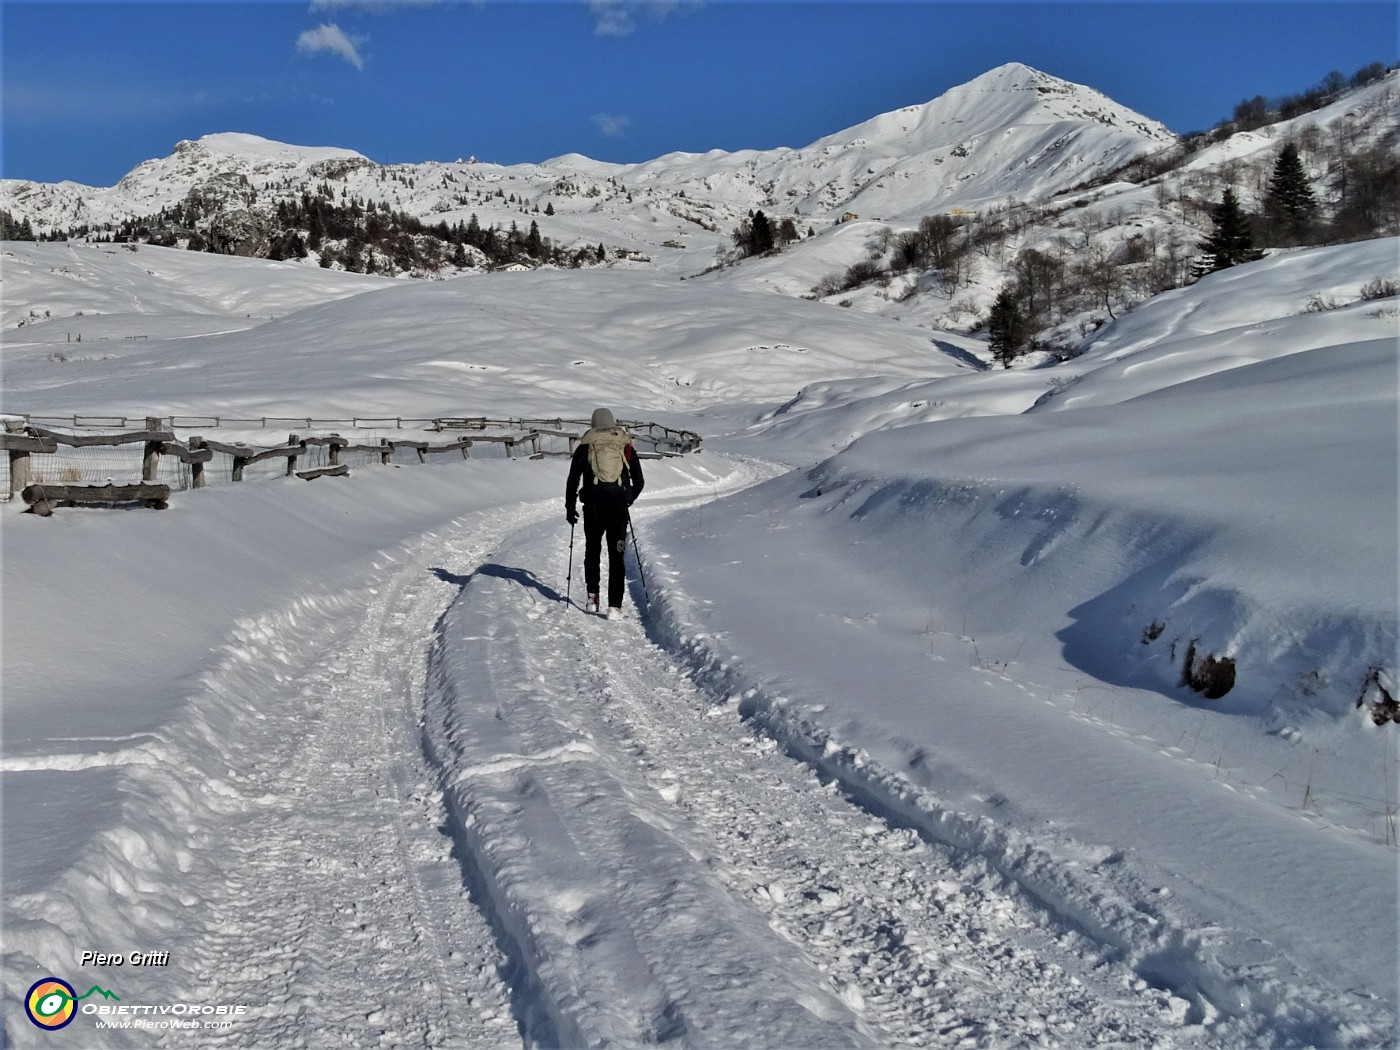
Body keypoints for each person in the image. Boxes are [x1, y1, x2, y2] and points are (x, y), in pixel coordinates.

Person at [565, 407, 644, 619]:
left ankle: (592, 599)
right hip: (617, 506)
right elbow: (639, 481)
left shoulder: (587, 444)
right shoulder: (624, 444)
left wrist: (569, 507)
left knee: (593, 549)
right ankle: (615, 607)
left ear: (593, 423)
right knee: (616, 555)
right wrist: (627, 499)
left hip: (592, 505)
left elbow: (573, 479)